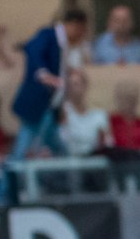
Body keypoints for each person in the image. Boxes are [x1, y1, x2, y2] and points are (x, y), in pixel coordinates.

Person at [11, 10, 89, 158]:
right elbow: (31, 48)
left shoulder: (63, 45)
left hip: (50, 106)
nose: (81, 35)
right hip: (37, 102)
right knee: (23, 148)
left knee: (56, 146)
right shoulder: (48, 35)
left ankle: (69, 171)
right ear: (74, 25)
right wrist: (44, 74)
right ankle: (10, 180)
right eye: (81, 30)